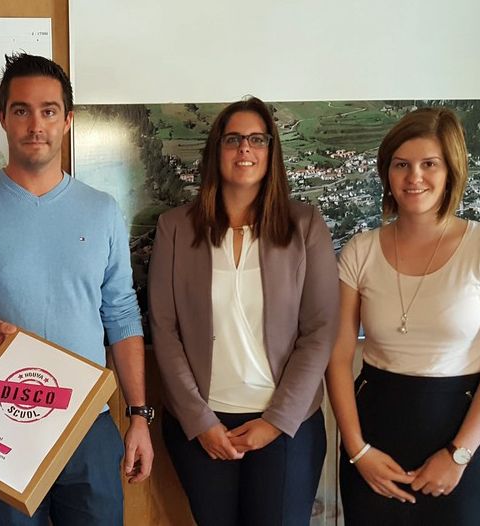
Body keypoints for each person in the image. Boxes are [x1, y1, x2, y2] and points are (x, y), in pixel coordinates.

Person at [0, 53, 153, 526]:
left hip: (88, 423)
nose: (35, 125)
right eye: (21, 110)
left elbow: (121, 315)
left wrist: (139, 415)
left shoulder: (102, 210)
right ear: (3, 117)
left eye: (48, 111)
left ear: (67, 120)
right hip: (0, 424)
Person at [148, 97, 339, 526]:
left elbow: (321, 329)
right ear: (216, 150)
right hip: (202, 426)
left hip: (286, 426)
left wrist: (276, 421)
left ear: (272, 151)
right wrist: (200, 421)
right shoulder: (175, 227)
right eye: (233, 139)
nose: (245, 149)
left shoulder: (305, 225)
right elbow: (164, 328)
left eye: (257, 139)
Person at [326, 107, 480, 525]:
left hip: (461, 442)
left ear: (451, 170)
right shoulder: (360, 250)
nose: (414, 176)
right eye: (401, 164)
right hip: (374, 445)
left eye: (429, 164)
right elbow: (337, 356)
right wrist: (358, 451)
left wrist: (457, 456)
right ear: (387, 172)